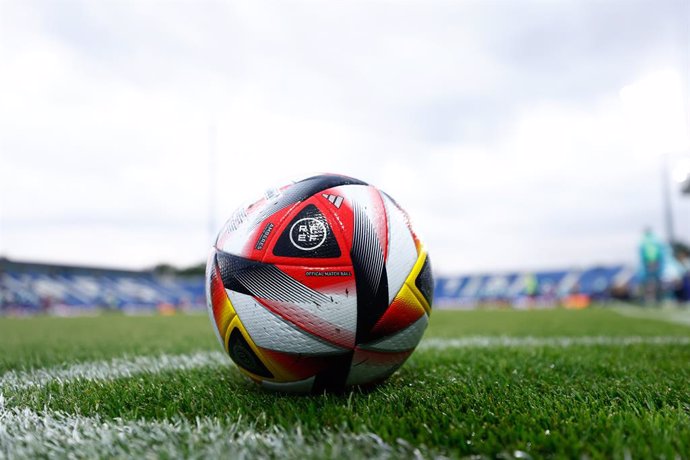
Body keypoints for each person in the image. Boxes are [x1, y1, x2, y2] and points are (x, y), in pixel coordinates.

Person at [638, 228, 664, 305]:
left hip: (650, 262)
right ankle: (652, 298)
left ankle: (654, 298)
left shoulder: (645, 241)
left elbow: (643, 253)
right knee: (651, 281)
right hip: (653, 262)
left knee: (651, 281)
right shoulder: (655, 240)